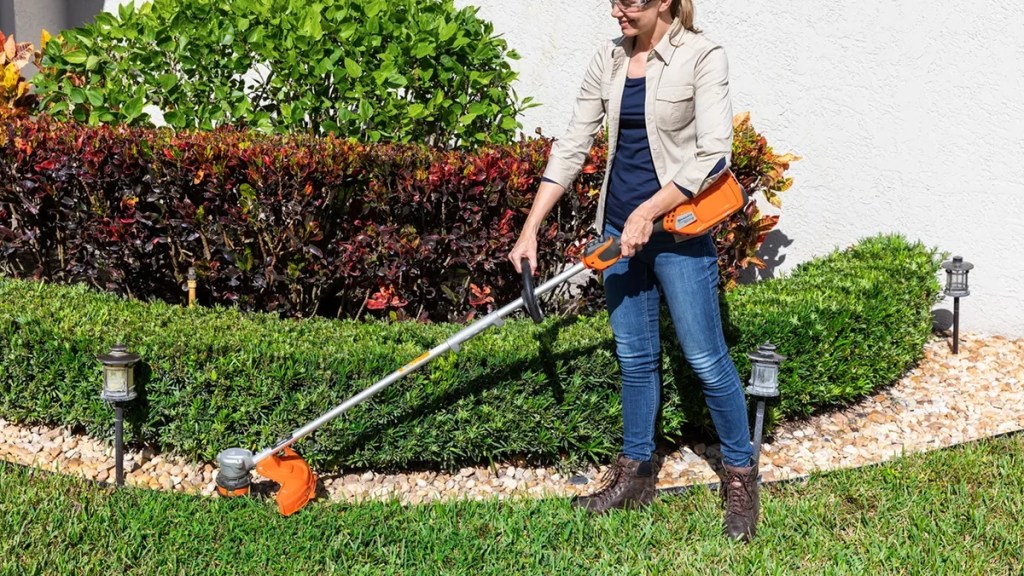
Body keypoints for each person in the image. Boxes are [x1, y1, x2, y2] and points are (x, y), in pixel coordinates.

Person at [507, 0, 759, 541]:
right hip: (617, 232)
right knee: (635, 356)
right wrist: (530, 228)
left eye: (629, 2)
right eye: (613, 1)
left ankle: (741, 474)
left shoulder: (702, 56)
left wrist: (649, 212)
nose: (616, 12)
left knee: (705, 358)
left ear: (663, 1)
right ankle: (636, 473)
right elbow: (573, 144)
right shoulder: (609, 58)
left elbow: (714, 152)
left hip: (677, 233)